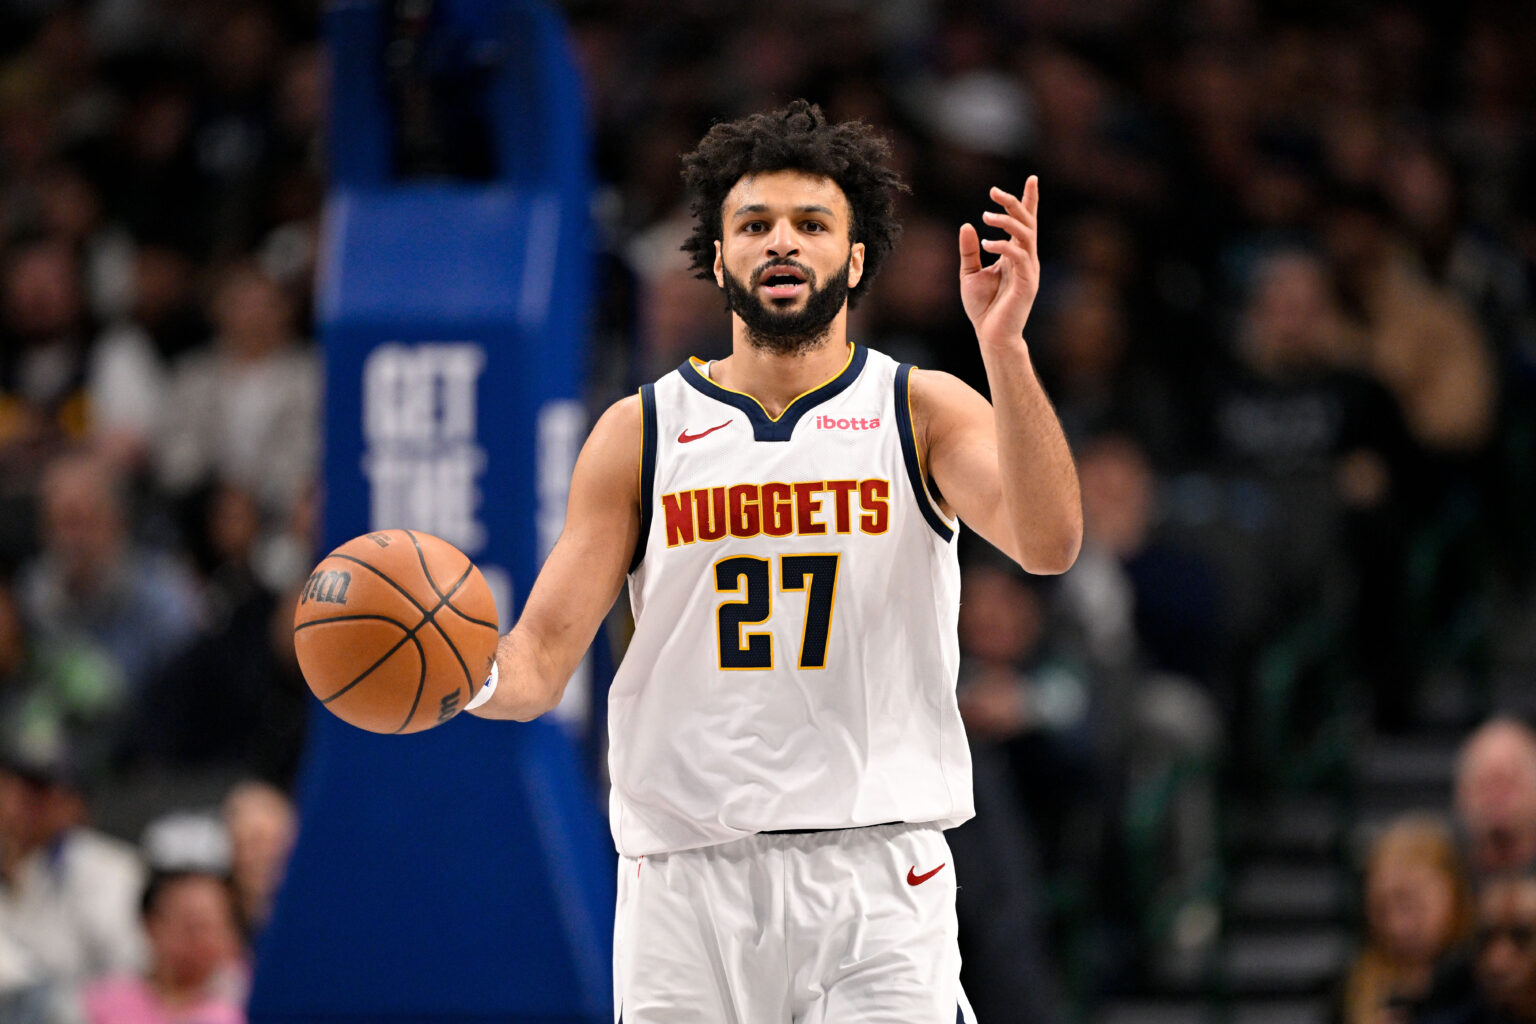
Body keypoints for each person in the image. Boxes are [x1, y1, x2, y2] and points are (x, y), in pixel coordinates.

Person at [466, 100, 1082, 1021]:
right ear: (718, 258)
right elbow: (540, 660)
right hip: (683, 885)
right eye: (753, 225)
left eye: (811, 224)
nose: (781, 243)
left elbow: (1049, 542)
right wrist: (455, 674)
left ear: (856, 257)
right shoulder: (640, 433)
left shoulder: (921, 409)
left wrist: (1006, 351)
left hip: (875, 874)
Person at [1337, 814, 1474, 1024]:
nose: (1397, 926)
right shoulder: (1353, 985)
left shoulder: (1489, 978)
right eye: (1381, 910)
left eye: (1412, 906)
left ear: (1454, 893)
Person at [77, 869, 248, 1024]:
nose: (205, 938)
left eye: (215, 926)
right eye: (193, 925)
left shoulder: (243, 1002)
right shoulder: (104, 1000)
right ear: (150, 924)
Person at [1455, 717, 1536, 878]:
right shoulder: (1445, 880)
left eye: (1509, 783)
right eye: (1484, 785)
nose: (1496, 798)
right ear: (1461, 793)